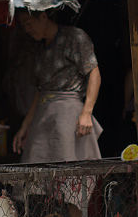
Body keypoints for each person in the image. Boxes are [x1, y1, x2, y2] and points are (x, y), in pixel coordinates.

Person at [12, 10, 102, 162]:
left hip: (68, 112)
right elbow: (40, 91)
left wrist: (86, 112)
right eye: (24, 26)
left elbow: (94, 73)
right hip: (43, 113)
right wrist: (25, 126)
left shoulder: (74, 37)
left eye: (28, 23)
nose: (27, 29)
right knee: (36, 163)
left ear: (43, 16)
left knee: (68, 163)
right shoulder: (39, 48)